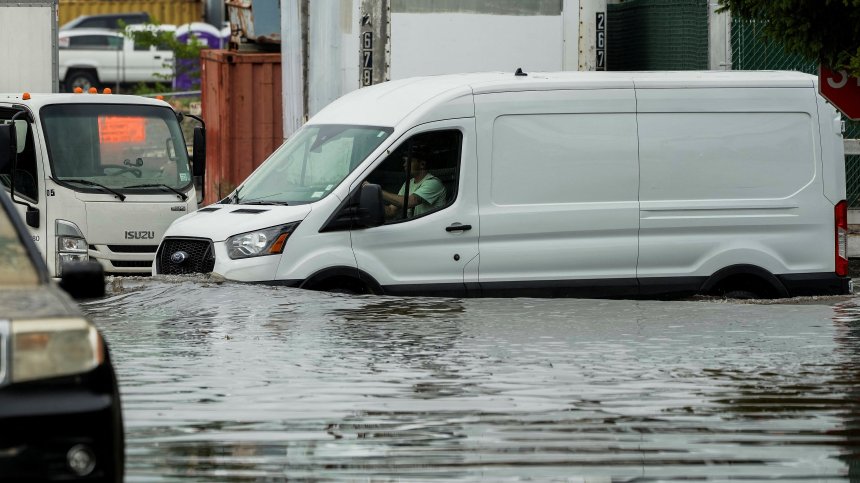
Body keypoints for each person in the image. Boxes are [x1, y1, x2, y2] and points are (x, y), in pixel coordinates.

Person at [379, 151, 446, 219]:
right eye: (404, 161)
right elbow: (391, 211)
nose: (404, 165)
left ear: (422, 164)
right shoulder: (408, 183)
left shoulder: (433, 183)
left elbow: (408, 202)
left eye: (409, 161)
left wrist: (378, 191)